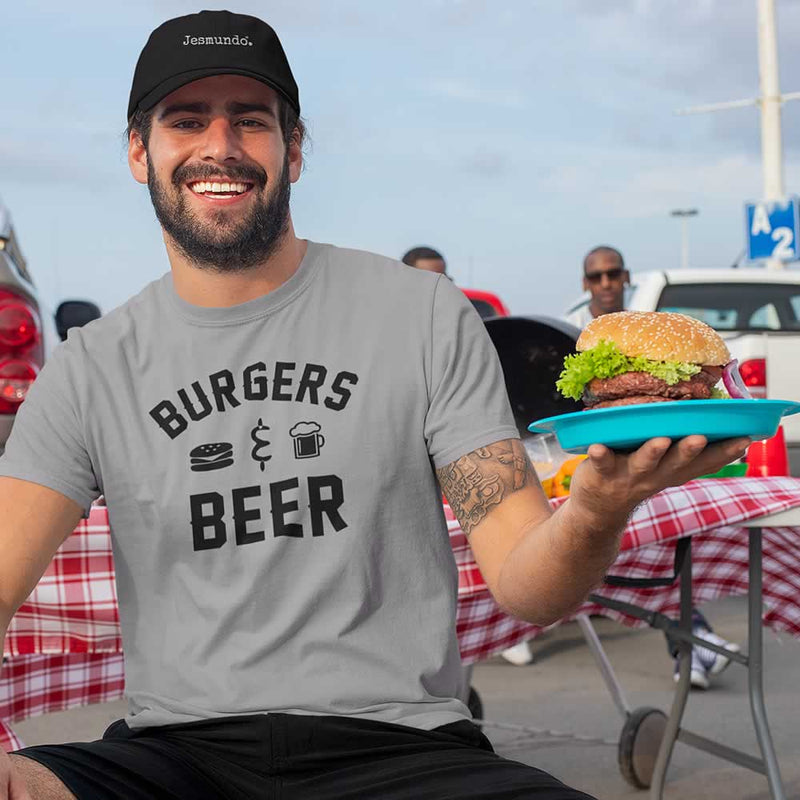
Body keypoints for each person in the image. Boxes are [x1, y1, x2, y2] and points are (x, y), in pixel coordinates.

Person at [0, 13, 748, 799]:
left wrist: (596, 507)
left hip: (403, 751)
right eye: (186, 120)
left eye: (249, 120)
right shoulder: (91, 368)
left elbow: (527, 584)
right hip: (174, 759)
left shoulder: (421, 315)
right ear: (137, 151)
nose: (218, 145)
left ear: (293, 149)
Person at [564, 245, 742, 689]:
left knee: (662, 540)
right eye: (597, 275)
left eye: (613, 273)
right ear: (586, 283)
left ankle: (692, 641)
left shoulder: (659, 325)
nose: (606, 282)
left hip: (663, 463)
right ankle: (694, 640)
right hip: (585, 470)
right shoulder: (570, 330)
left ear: (625, 277)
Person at [403, 244, 533, 666]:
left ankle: (506, 627)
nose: (439, 287)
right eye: (427, 278)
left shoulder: (461, 337)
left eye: (445, 278)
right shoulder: (384, 344)